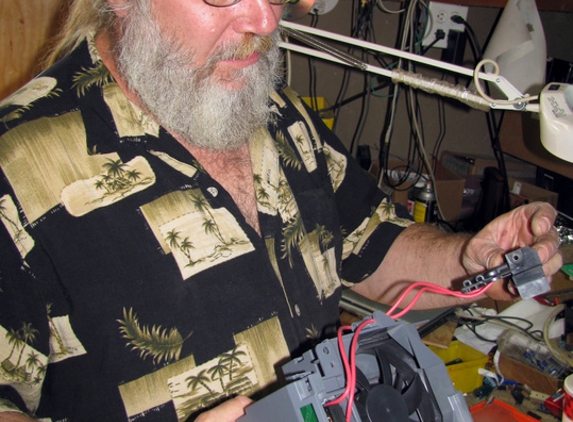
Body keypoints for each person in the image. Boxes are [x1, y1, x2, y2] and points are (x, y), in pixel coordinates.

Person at [0, 0, 562, 421]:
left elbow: (369, 242)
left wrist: (473, 262)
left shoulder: (277, 114)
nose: (267, 21)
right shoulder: (15, 171)